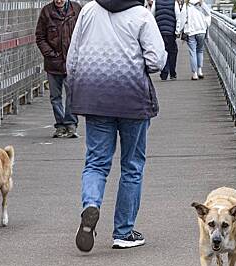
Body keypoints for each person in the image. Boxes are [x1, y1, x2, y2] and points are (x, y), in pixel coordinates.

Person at [67, 0, 167, 251]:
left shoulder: (89, 10)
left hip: (96, 98)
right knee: (132, 166)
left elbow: (73, 58)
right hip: (132, 99)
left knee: (96, 163)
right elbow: (156, 61)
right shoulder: (141, 15)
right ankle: (123, 232)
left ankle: (91, 204)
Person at [35, 0, 82, 138]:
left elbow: (84, 32)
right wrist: (50, 54)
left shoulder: (76, 9)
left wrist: (78, 54)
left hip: (72, 62)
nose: (59, 0)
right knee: (55, 96)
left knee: (71, 94)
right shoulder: (46, 11)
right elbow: (40, 37)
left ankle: (71, 124)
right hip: (53, 63)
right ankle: (60, 125)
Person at [178, 0, 211, 80]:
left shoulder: (186, 6)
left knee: (192, 52)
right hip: (201, 31)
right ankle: (200, 70)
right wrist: (205, 25)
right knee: (200, 51)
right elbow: (209, 14)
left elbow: (182, 19)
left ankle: (195, 73)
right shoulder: (202, 4)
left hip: (191, 31)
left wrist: (179, 30)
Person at [151, 0, 180, 80]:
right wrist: (177, 31)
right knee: (173, 52)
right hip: (171, 32)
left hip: (159, 33)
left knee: (162, 52)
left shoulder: (156, 2)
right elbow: (178, 17)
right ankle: (172, 73)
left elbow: (151, 16)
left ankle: (164, 73)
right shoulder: (174, 3)